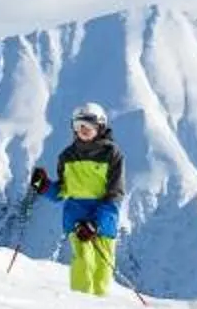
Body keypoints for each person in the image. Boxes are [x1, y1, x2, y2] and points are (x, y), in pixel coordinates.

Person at [30, 102, 126, 297]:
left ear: (100, 126)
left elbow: (114, 193)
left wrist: (95, 224)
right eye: (78, 124)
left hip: (104, 220)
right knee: (84, 259)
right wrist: (44, 186)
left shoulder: (111, 154)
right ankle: (80, 304)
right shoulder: (67, 156)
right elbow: (62, 191)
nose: (83, 129)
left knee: (103, 268)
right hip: (77, 219)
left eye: (88, 125)